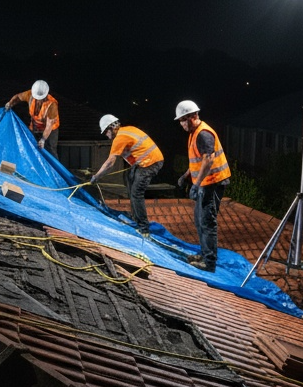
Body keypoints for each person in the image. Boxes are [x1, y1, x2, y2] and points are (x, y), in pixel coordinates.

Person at [174, 99, 231, 271]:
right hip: (205, 183)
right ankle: (205, 253)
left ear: (192, 116)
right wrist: (186, 176)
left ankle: (209, 263)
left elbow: (208, 160)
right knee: (200, 221)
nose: (181, 124)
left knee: (207, 222)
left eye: (183, 120)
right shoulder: (194, 133)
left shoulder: (203, 134)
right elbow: (198, 162)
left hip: (212, 183)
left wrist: (196, 184)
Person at [90, 114, 164, 236]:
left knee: (136, 193)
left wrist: (96, 177)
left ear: (112, 128)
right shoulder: (128, 129)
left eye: (106, 132)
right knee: (129, 178)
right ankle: (136, 218)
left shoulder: (119, 138)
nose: (107, 136)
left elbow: (110, 163)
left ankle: (143, 228)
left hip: (150, 163)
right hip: (146, 162)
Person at [4, 80, 60, 156]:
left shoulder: (52, 105)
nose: (38, 100)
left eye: (41, 99)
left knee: (50, 150)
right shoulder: (30, 95)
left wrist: (43, 139)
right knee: (32, 147)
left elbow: (49, 126)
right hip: (35, 126)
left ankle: (53, 167)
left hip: (50, 130)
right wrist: (10, 103)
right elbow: (17, 97)